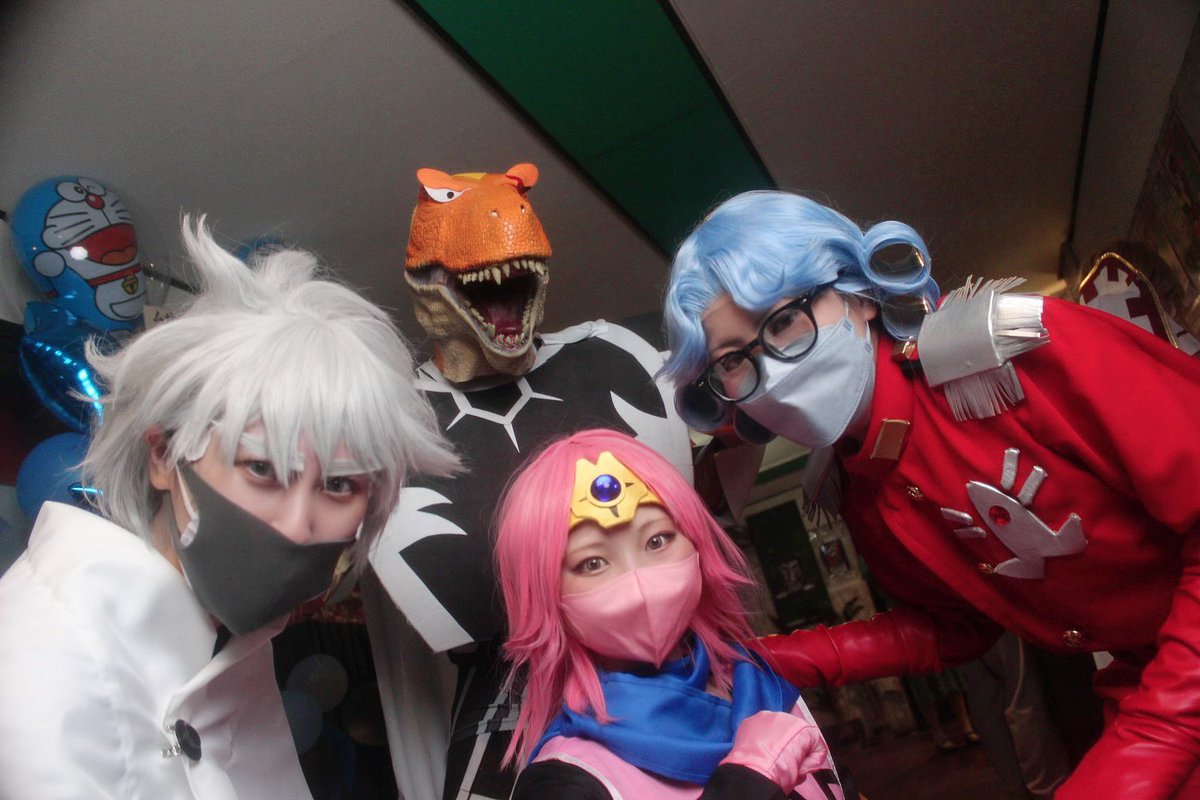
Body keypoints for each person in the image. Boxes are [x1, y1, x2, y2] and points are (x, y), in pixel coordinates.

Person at [660, 190, 1200, 799]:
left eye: (784, 321)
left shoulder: (1018, 350)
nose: (775, 374)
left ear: (860, 294)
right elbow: (955, 626)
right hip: (1150, 679)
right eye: (734, 360)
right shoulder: (858, 483)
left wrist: (1149, 745)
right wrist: (757, 659)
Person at [0, 217, 458, 798]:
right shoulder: (36, 656)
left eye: (340, 485)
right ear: (164, 455)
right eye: (261, 469)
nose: (296, 526)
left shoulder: (225, 652)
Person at [494, 428, 847, 799]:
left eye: (657, 540)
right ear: (547, 596)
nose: (640, 586)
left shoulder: (758, 684)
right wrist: (748, 780)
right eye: (592, 563)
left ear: (695, 541)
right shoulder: (562, 781)